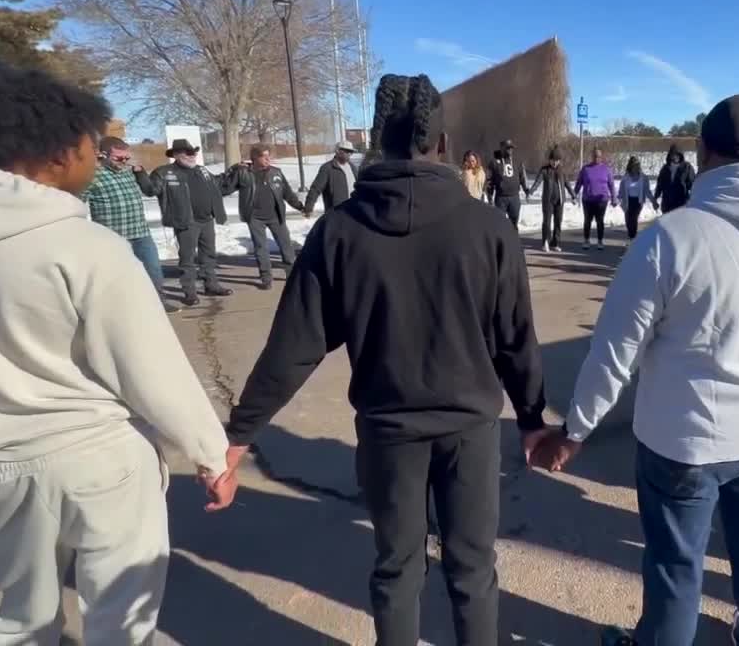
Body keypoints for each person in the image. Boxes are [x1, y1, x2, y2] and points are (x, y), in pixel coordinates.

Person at [211, 74, 549, 646]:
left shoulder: (338, 231)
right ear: (442, 144)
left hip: (387, 430)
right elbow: (515, 339)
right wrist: (535, 419)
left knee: (397, 568)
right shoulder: (489, 227)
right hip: (469, 429)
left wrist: (238, 436)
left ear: (378, 144)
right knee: (472, 570)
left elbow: (293, 348)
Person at [0, 65, 230, 645]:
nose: (96, 158)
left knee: (23, 620)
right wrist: (210, 453)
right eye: (90, 145)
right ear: (59, 152)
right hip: (99, 458)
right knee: (120, 622)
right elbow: (151, 370)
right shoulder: (87, 247)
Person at [529, 94, 739, 646]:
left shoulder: (669, 238)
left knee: (676, 569)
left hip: (684, 441)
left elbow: (614, 352)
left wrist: (576, 429)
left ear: (704, 151)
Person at [82, 135, 178, 313]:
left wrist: (141, 173)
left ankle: (158, 303)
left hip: (140, 232)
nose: (123, 161)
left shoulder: (130, 172)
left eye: (126, 157)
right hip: (113, 237)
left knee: (153, 270)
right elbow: (77, 203)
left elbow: (150, 190)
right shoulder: (92, 176)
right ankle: (120, 311)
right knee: (116, 277)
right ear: (103, 155)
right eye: (119, 158)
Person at [135, 139, 233, 307]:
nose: (192, 155)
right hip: (186, 221)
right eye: (188, 153)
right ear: (176, 155)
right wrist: (140, 174)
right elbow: (151, 190)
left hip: (207, 219)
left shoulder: (202, 170)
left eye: (193, 152)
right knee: (187, 259)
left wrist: (236, 171)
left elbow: (219, 186)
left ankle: (211, 285)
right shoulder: (164, 172)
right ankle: (189, 292)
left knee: (208, 255)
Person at [225, 144, 306, 290]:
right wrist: (232, 169)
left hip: (276, 215)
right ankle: (266, 278)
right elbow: (226, 187)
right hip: (255, 217)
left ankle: (291, 274)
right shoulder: (244, 173)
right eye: (264, 156)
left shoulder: (276, 173)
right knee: (260, 248)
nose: (268, 159)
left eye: (269, 156)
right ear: (255, 158)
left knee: (286, 245)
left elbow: (287, 193)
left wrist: (300, 206)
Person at [529, 146, 575, 252]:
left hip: (559, 201)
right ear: (549, 160)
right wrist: (531, 192)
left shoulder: (562, 171)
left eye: (557, 160)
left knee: (558, 222)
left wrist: (573, 195)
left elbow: (567, 184)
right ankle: (545, 241)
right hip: (548, 201)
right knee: (547, 222)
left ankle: (555, 243)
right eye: (553, 160)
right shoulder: (544, 170)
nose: (555, 163)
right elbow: (537, 181)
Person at [575, 148, 617, 250]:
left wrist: (613, 198)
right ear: (591, 156)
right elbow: (579, 183)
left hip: (602, 200)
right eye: (594, 156)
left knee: (600, 221)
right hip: (588, 200)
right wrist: (574, 194)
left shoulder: (606, 169)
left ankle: (600, 241)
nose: (596, 158)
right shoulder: (585, 169)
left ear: (601, 157)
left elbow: (611, 185)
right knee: (587, 220)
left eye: (598, 156)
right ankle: (586, 240)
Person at [305, 141, 358, 215]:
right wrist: (309, 207)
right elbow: (316, 188)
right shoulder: (327, 168)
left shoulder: (352, 168)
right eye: (347, 151)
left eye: (351, 152)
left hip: (353, 211)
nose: (349, 154)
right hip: (336, 213)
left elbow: (359, 187)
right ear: (338, 151)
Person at [487, 139, 528, 228]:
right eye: (507, 148)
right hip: (501, 198)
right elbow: (489, 181)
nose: (510, 150)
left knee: (514, 223)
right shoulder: (494, 163)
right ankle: (500, 241)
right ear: (502, 148)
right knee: (500, 224)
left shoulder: (517, 161)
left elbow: (523, 177)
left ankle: (513, 241)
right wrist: (490, 196)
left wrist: (526, 190)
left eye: (511, 148)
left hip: (514, 197)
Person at [617, 155, 657, 240]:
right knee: (628, 220)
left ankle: (633, 238)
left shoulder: (643, 178)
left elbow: (647, 191)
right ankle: (631, 236)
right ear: (630, 166)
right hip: (627, 201)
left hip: (638, 201)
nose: (635, 167)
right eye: (633, 165)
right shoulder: (625, 177)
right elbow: (620, 191)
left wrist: (653, 201)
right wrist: (616, 199)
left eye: (636, 165)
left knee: (633, 218)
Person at [654, 143, 695, 212]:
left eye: (677, 155)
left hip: (681, 202)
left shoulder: (687, 167)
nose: (675, 157)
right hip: (667, 203)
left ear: (680, 155)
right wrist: (655, 198)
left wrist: (692, 197)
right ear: (670, 155)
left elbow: (692, 183)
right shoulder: (665, 168)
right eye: (673, 154)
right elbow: (660, 184)